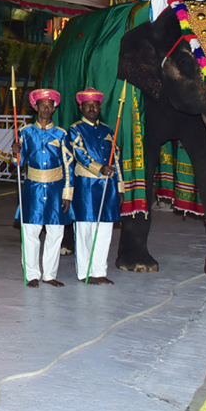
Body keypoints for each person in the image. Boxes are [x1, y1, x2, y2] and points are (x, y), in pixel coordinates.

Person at [16, 88, 72, 287]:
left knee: (55, 232)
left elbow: (68, 165)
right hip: (33, 189)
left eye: (50, 106)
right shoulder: (25, 132)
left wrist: (67, 193)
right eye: (42, 105)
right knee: (31, 232)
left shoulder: (61, 134)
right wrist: (16, 152)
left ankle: (50, 275)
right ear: (36, 107)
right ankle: (32, 275)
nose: (46, 109)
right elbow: (18, 163)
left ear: (54, 108)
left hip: (56, 190)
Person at [67, 88, 121, 285]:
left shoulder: (108, 130)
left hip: (108, 186)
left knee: (105, 229)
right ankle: (85, 272)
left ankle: (99, 271)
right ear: (81, 107)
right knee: (85, 229)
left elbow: (116, 159)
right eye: (88, 105)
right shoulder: (75, 129)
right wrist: (100, 169)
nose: (92, 108)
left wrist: (120, 187)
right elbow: (80, 155)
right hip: (86, 186)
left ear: (99, 107)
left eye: (95, 105)